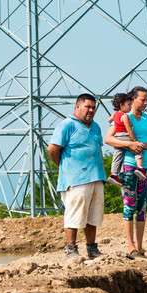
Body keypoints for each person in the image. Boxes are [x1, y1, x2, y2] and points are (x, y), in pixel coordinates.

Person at [48, 93, 106, 259]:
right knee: (74, 214)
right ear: (77, 107)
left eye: (93, 107)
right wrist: (64, 166)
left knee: (93, 215)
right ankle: (71, 249)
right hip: (75, 178)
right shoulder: (67, 125)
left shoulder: (95, 127)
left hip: (96, 176)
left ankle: (92, 248)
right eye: (87, 107)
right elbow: (52, 149)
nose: (91, 110)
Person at [105, 86, 147, 258]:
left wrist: (142, 145)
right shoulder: (123, 117)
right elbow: (108, 138)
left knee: (142, 206)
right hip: (128, 165)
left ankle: (140, 246)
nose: (145, 103)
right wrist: (130, 145)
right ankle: (131, 247)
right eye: (142, 99)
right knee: (129, 204)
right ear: (133, 99)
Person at [107, 92, 146, 185]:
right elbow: (129, 130)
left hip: (118, 136)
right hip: (125, 136)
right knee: (138, 149)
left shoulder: (116, 114)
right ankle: (140, 168)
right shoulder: (125, 116)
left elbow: (109, 120)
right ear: (121, 105)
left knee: (117, 155)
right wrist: (135, 141)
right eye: (128, 104)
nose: (130, 106)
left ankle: (114, 174)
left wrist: (114, 120)